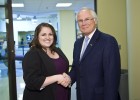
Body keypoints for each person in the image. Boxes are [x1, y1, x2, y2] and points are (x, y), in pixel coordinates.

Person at [69, 7, 121, 100]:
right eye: (80, 21)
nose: (83, 23)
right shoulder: (77, 43)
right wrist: (67, 78)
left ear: (95, 21)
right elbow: (76, 68)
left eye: (87, 19)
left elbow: (112, 78)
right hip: (82, 96)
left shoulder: (108, 41)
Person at [22, 23, 71, 100]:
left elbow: (63, 69)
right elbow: (31, 81)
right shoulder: (32, 53)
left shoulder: (57, 50)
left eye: (50, 34)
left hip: (62, 94)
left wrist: (67, 77)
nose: (47, 37)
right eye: (43, 34)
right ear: (37, 37)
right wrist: (57, 77)